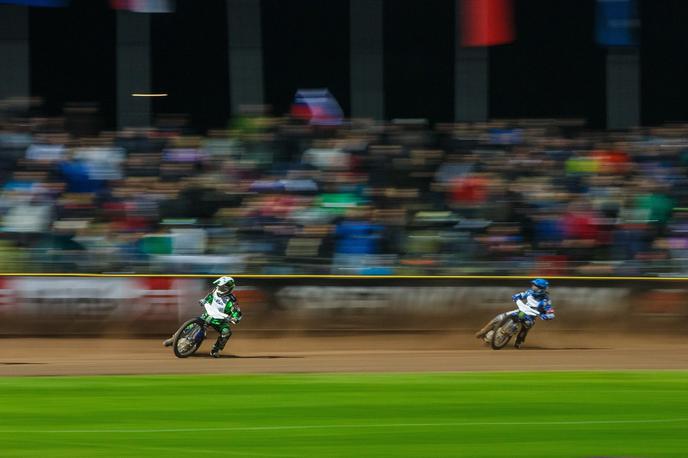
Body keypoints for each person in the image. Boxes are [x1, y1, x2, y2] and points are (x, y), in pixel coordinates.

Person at [163, 276, 242, 357]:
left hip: (220, 320)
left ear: (228, 288)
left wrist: (235, 318)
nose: (219, 288)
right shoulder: (215, 290)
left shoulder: (232, 300)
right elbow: (210, 297)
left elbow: (237, 312)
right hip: (209, 314)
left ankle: (216, 350)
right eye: (219, 286)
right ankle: (174, 339)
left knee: (226, 332)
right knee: (193, 323)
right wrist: (204, 300)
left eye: (222, 288)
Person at [475, 278, 555, 348]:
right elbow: (521, 295)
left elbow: (550, 312)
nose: (532, 287)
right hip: (521, 311)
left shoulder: (546, 301)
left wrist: (547, 316)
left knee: (526, 327)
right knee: (499, 317)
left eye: (535, 286)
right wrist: (517, 296)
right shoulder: (529, 292)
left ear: (540, 289)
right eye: (533, 285)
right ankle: (483, 331)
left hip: (531, 316)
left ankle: (519, 341)